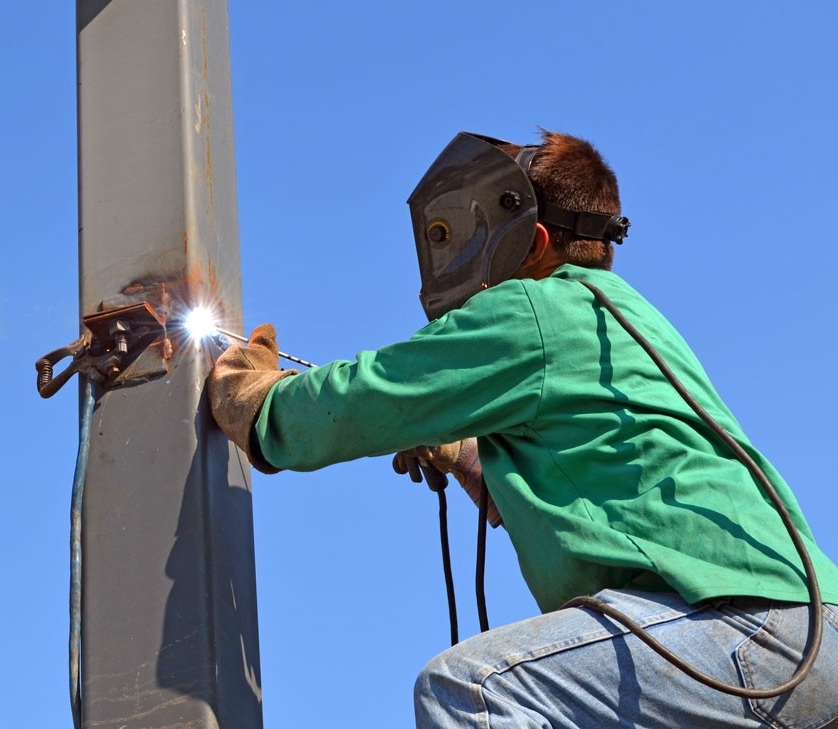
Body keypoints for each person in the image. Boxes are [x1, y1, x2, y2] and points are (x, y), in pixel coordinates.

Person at [207, 130, 838, 728]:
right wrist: (467, 458)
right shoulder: (618, 319)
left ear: (530, 243)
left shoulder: (533, 308)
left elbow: (365, 398)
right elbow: (592, 485)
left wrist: (261, 404)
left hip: (747, 635)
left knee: (472, 687)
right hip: (800, 637)